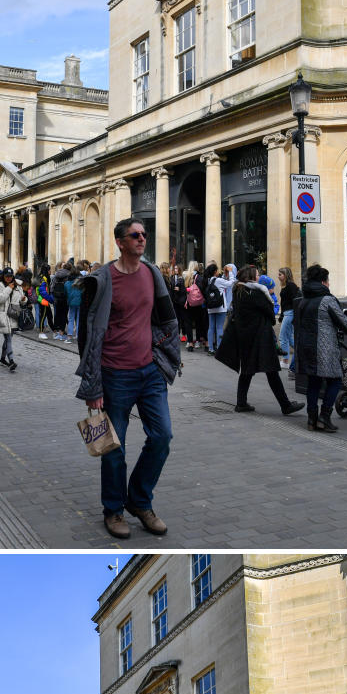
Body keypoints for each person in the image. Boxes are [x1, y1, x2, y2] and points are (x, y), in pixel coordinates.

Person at [76, 218, 180, 540]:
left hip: (149, 372)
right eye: (135, 235)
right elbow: (88, 336)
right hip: (114, 374)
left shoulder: (152, 274)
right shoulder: (102, 280)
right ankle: (113, 510)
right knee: (113, 447)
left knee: (162, 436)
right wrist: (93, 386)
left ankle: (139, 500)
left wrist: (165, 353)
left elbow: (167, 318)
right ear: (120, 242)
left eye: (144, 235)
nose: (142, 239)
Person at [216, 265, 304, 417]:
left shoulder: (239, 292)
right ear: (251, 276)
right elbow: (270, 314)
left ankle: (241, 403)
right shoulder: (256, 293)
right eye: (257, 274)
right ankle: (285, 405)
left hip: (246, 338)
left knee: (248, 371)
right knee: (272, 371)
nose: (258, 277)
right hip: (261, 337)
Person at [293, 263, 347, 433]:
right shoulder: (327, 300)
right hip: (323, 348)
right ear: (323, 282)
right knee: (336, 380)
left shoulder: (303, 299)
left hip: (305, 346)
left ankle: (311, 419)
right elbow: (344, 321)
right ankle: (324, 417)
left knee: (314, 382)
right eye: (328, 281)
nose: (329, 284)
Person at [0, 267, 23, 371]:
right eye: (7, 276)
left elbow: (21, 300)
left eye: (10, 276)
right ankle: (11, 361)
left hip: (13, 315)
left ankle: (2, 359)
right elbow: (0, 299)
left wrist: (24, 299)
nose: (9, 278)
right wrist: (9, 288)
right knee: (8, 338)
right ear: (3, 276)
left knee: (8, 339)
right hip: (3, 316)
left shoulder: (17, 286)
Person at [277, 266, 301, 370]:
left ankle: (285, 360)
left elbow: (295, 301)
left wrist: (294, 316)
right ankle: (301, 351)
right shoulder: (286, 286)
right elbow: (284, 303)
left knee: (283, 337)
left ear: (285, 275)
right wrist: (282, 314)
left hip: (290, 314)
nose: (278, 276)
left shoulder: (291, 286)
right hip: (287, 313)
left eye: (280, 274)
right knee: (289, 337)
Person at [183, 261, 207, 350]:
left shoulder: (186, 277)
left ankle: (190, 342)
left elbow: (183, 290)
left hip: (188, 303)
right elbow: (203, 289)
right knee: (198, 322)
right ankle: (197, 341)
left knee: (188, 323)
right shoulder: (199, 277)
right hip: (198, 303)